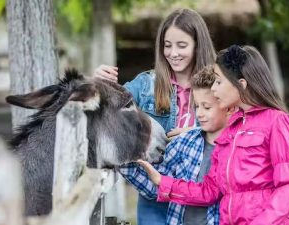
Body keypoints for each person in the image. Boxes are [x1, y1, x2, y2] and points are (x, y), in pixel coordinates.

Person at [139, 45, 289, 225]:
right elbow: (209, 191)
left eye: (218, 82)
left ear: (241, 85)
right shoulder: (231, 130)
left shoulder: (278, 122)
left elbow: (288, 187)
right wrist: (163, 182)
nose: (213, 89)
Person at [93, 8, 217, 225]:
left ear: (198, 45)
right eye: (167, 46)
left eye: (182, 45)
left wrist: (198, 132)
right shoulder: (145, 85)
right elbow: (108, 114)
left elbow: (238, 128)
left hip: (203, 201)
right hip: (155, 199)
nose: (173, 53)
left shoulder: (218, 85)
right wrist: (96, 84)